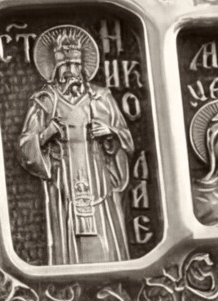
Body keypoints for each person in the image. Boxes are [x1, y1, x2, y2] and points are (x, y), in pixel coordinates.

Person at [18, 26, 135, 266]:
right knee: (69, 236)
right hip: (64, 184)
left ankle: (114, 269)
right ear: (56, 69)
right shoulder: (45, 101)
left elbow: (125, 138)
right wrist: (46, 133)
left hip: (98, 180)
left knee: (105, 235)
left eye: (76, 65)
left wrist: (110, 133)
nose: (72, 72)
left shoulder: (101, 97)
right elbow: (25, 146)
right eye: (66, 66)